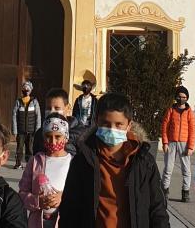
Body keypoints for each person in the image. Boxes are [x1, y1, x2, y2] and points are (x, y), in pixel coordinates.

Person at [59, 93, 169, 228]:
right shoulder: (83, 161)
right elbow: (70, 209)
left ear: (129, 125)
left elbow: (157, 208)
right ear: (97, 121)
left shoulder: (143, 161)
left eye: (119, 125)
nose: (112, 130)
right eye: (106, 123)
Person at [19, 113, 73, 228]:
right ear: (43, 137)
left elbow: (80, 194)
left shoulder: (73, 163)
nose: (53, 142)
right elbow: (22, 193)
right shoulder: (35, 162)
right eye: (48, 136)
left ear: (66, 137)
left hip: (64, 221)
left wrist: (63, 197)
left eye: (58, 136)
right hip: (37, 222)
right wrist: (37, 201)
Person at [160, 86, 195, 202]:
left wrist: (190, 146)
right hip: (171, 143)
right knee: (168, 168)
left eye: (184, 97)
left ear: (187, 98)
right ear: (176, 97)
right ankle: (164, 191)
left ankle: (185, 192)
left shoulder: (190, 112)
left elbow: (192, 130)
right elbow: (165, 126)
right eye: (179, 97)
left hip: (184, 144)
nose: (181, 99)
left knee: (186, 170)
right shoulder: (171, 110)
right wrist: (165, 142)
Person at [32, 88, 85, 156]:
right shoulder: (40, 133)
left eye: (57, 108)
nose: (52, 111)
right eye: (48, 108)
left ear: (68, 108)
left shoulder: (81, 134)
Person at [12, 80, 42, 169]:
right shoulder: (18, 101)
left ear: (31, 90)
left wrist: (38, 130)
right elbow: (14, 115)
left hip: (31, 131)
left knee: (30, 148)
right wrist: (15, 130)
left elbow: (38, 116)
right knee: (19, 148)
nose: (26, 90)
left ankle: (29, 164)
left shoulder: (34, 102)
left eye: (27, 88)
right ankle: (18, 163)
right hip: (21, 131)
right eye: (24, 88)